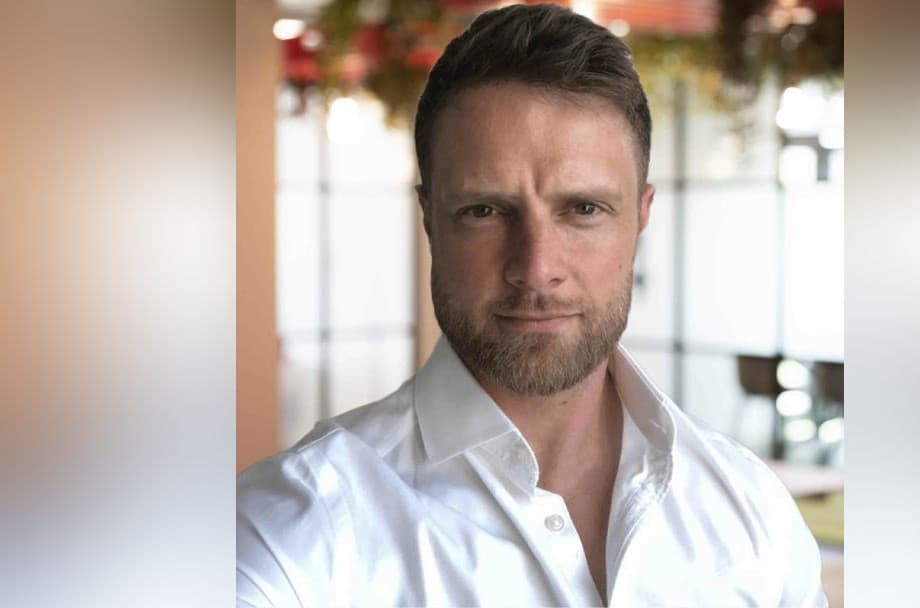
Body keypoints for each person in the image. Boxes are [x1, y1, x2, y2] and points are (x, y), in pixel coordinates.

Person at [237, 4, 826, 606]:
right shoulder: (294, 536)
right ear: (430, 219)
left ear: (641, 216)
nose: (537, 268)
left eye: (584, 209)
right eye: (485, 211)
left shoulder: (754, 514)